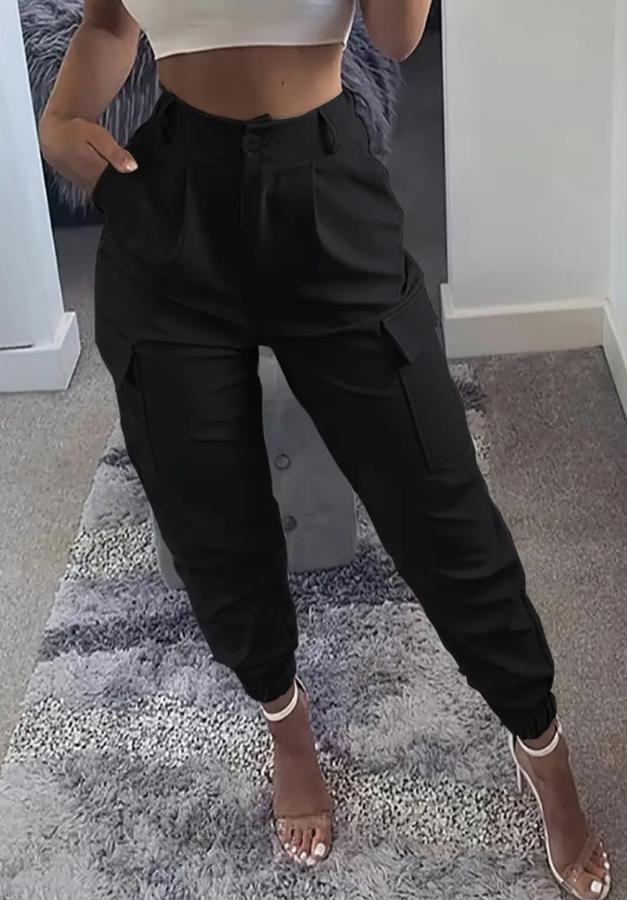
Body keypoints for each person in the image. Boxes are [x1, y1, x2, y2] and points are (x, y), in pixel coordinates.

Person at [38, 1, 611, 895]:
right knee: (209, 520)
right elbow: (110, 24)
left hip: (321, 189)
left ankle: (542, 746)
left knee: (443, 513)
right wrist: (59, 120)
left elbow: (395, 36)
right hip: (170, 209)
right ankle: (287, 726)